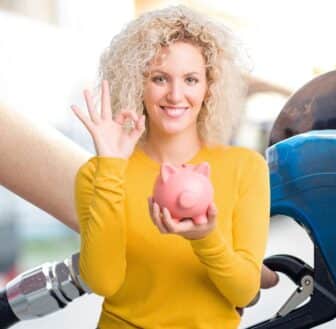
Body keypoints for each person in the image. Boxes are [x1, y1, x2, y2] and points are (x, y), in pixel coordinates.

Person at [71, 6, 277, 328]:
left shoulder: (245, 168)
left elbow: (244, 290)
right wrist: (111, 167)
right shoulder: (98, 173)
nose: (175, 95)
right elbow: (103, 282)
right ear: (138, 83)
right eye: (159, 78)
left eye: (191, 79)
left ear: (210, 86)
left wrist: (206, 238)